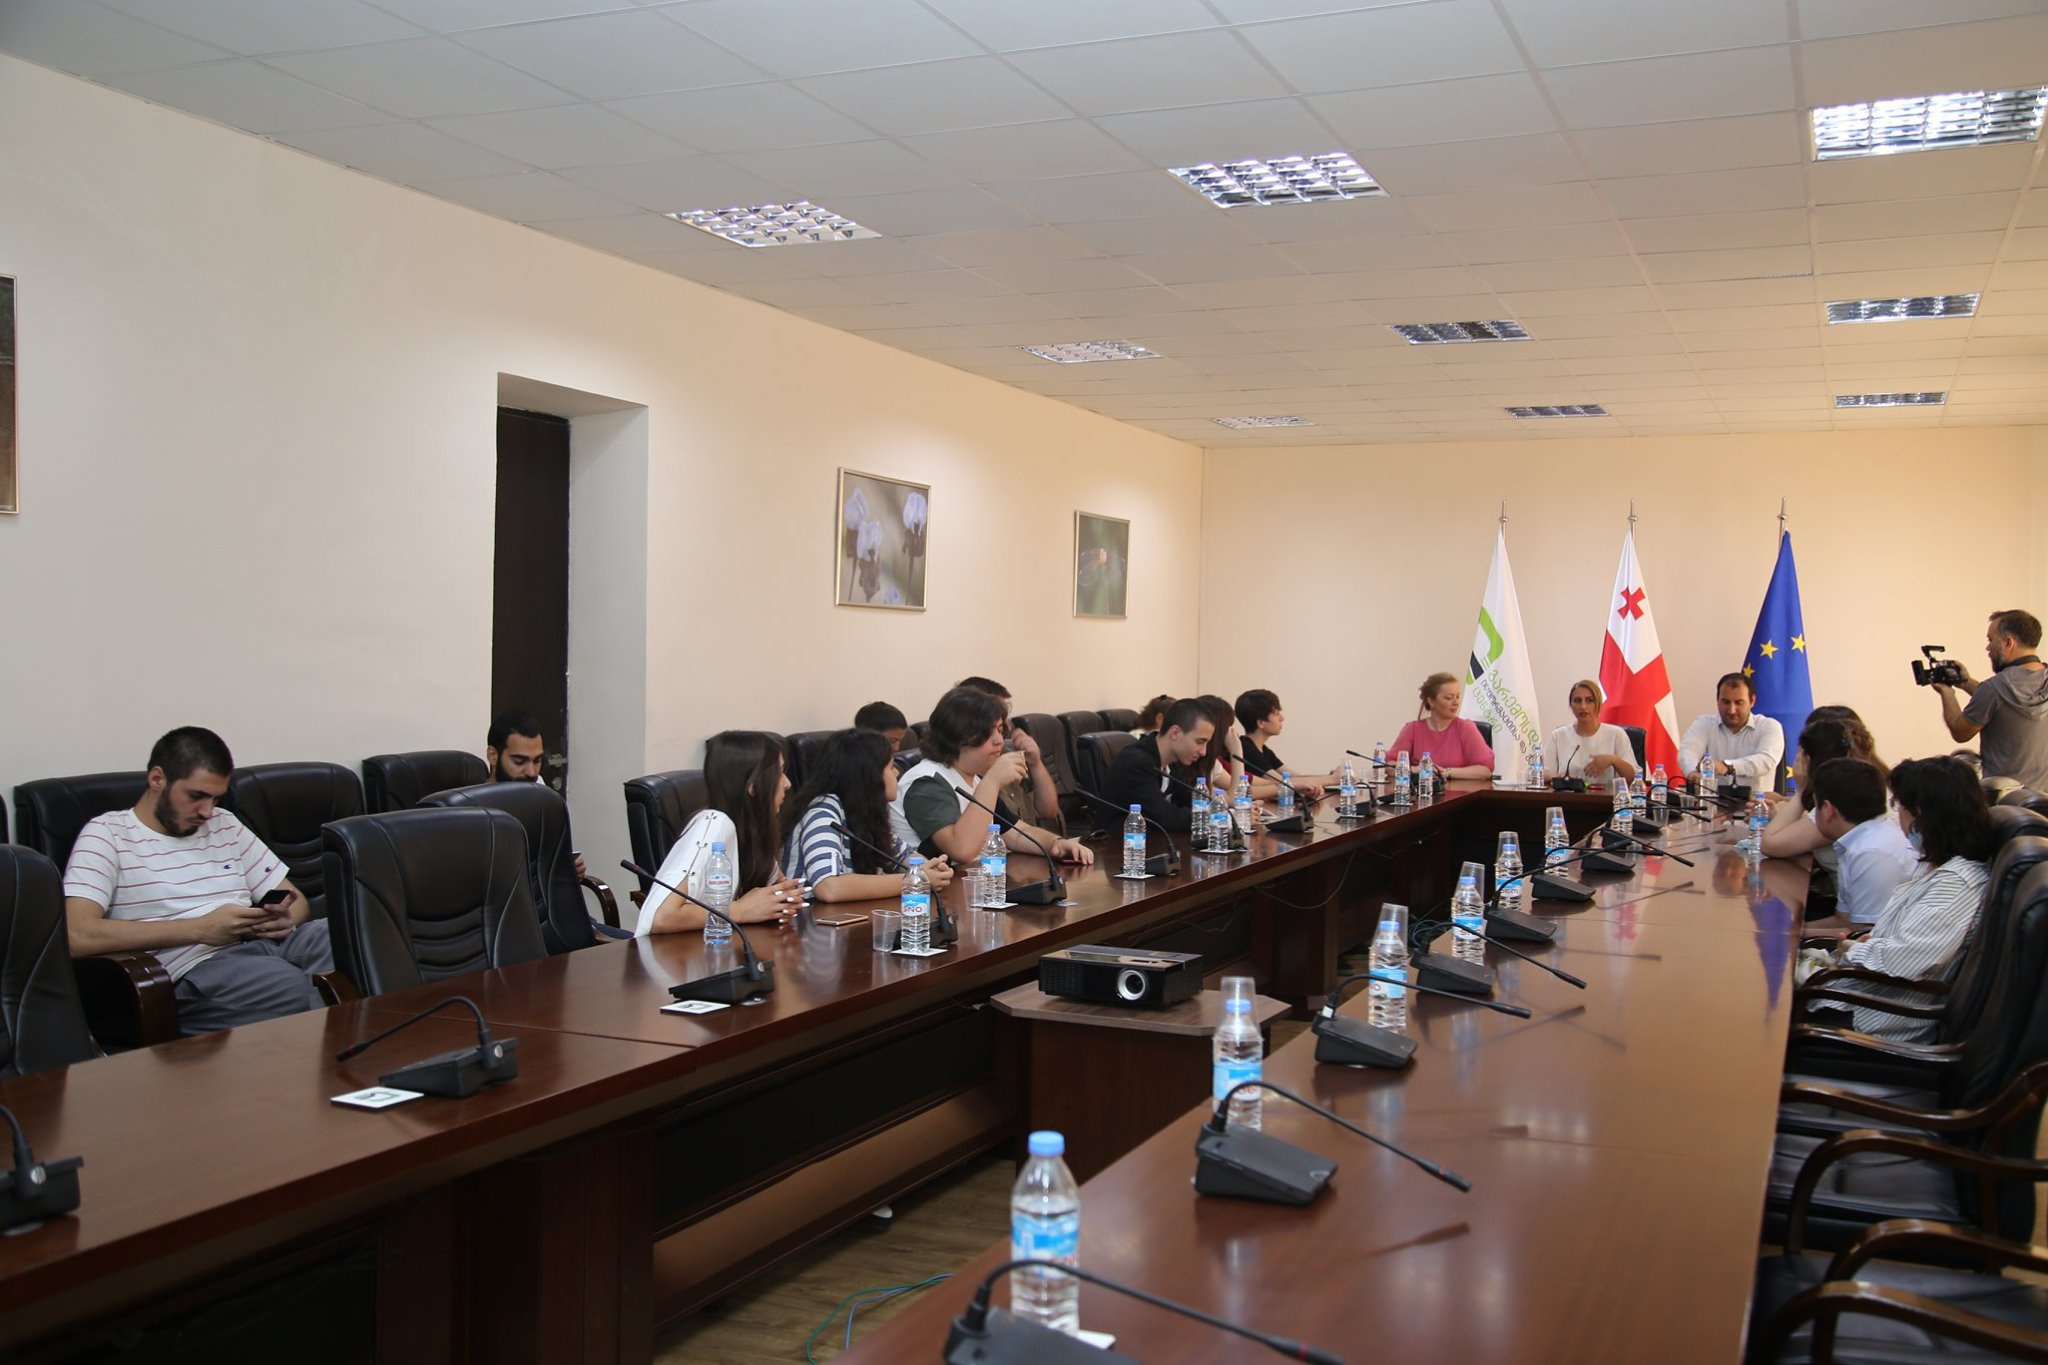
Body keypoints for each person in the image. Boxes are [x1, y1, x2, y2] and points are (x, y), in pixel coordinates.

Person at [63, 726, 333, 1036]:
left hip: (260, 946)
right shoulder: (107, 834)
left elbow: (295, 901)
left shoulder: (225, 824)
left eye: (216, 798)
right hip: (193, 971)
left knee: (346, 937)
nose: (207, 812)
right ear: (157, 779)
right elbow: (77, 935)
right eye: (196, 796)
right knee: (286, 985)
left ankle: (328, 1036)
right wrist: (200, 929)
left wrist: (282, 919)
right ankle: (333, 1045)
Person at [1808, 756, 1992, 1042]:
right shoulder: (1935, 865)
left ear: (1921, 814)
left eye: (1900, 807)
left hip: (1874, 1023)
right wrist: (1873, 941)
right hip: (1861, 997)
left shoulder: (1958, 882)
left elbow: (1904, 959)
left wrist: (1852, 948)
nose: (1899, 820)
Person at [895, 686, 1092, 869]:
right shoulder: (926, 783)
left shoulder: (974, 779)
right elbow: (962, 850)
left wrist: (1056, 844)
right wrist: (993, 781)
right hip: (926, 893)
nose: (999, 740)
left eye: (999, 730)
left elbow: (1017, 834)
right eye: (988, 732)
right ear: (958, 735)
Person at [639, 730, 805, 937]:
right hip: (673, 954)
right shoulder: (715, 823)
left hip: (722, 948)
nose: (787, 783)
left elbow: (774, 890)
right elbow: (661, 917)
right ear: (752, 785)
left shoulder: (755, 831)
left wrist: (780, 902)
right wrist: (741, 910)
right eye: (779, 772)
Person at [785, 729, 953, 902]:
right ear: (870, 775)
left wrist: (929, 869)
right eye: (891, 767)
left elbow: (903, 856)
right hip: (808, 915)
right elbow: (829, 887)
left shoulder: (865, 811)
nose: (897, 773)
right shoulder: (823, 812)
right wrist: (916, 879)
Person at [1935, 608, 2048, 791]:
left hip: (2007, 801)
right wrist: (1965, 682)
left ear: (2008, 643)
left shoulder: (1993, 689)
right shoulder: (1994, 691)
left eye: (1991, 640)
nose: (1988, 648)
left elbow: (1960, 731)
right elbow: (2001, 703)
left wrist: (1946, 692)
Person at [1802, 758, 1916, 928]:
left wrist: (1792, 934)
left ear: (1827, 810)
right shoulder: (1861, 839)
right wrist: (1795, 931)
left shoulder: (1871, 854)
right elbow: (1844, 920)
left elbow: (1862, 933)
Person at [1754, 714, 1885, 860]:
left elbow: (1770, 845)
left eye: (1798, 755)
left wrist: (1803, 788)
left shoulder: (1838, 801)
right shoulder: (1851, 786)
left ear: (1807, 760)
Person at [956, 676, 1063, 833]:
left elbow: (1048, 811)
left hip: (1027, 842)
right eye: (997, 719)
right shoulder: (968, 769)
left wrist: (1036, 763)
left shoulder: (1009, 752)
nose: (1007, 726)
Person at [488, 708, 585, 878]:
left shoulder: (538, 787)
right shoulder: (472, 805)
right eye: (519, 761)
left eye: (537, 761)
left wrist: (567, 871)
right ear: (493, 756)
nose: (532, 772)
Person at [1104, 698, 1214, 833]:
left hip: (1153, 841)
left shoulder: (1174, 762)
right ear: (1175, 733)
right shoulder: (1136, 763)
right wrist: (1210, 816)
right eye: (1200, 742)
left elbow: (1189, 802)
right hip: (1117, 843)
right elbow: (1167, 819)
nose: (1203, 752)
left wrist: (1205, 812)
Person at [1678, 673, 1785, 789]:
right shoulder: (1704, 724)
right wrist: (1692, 772)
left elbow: (1766, 761)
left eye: (1739, 703)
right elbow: (1687, 752)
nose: (1731, 710)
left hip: (1756, 799)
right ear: (1717, 700)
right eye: (1726, 702)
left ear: (1752, 701)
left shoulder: (1769, 726)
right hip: (1711, 799)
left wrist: (1728, 766)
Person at [1387, 673, 1494, 781]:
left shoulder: (1466, 728)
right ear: (1431, 701)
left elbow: (1484, 771)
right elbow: (1388, 766)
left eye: (1457, 697)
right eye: (1448, 698)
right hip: (1421, 790)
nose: (1456, 702)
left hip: (1459, 791)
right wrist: (1419, 770)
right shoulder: (1412, 729)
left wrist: (1445, 772)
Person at [1543, 679, 1638, 785]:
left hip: (1607, 795)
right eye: (1577, 701)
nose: (1583, 706)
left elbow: (1634, 778)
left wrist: (1613, 760)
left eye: (1589, 700)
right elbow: (1542, 772)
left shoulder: (1617, 734)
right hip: (1568, 794)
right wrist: (1558, 777)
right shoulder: (1558, 735)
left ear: (1598, 703)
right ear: (1571, 705)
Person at [1233, 689, 1326, 796]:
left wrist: (1326, 778)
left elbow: (1295, 777)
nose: (1282, 718)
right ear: (1261, 723)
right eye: (1277, 714)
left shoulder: (1265, 751)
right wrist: (1333, 779)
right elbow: (1283, 782)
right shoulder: (1245, 748)